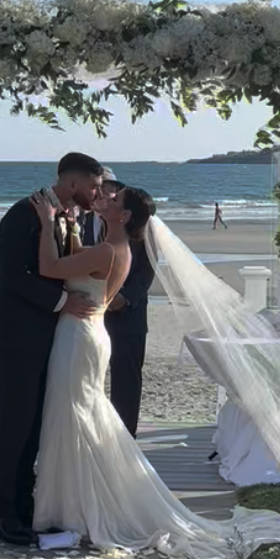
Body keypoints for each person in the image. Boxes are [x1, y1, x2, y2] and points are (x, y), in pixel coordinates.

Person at [29, 186, 280, 559]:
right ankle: (74, 503)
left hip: (80, 337)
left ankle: (76, 506)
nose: (105, 199)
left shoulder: (109, 250)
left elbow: (50, 268)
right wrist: (72, 227)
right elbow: (78, 260)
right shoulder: (111, 248)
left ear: (123, 216)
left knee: (75, 412)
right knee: (80, 413)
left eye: (114, 200)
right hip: (89, 333)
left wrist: (45, 223)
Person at [0, 152, 104, 547]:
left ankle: (24, 505)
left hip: (49, 339)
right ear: (72, 184)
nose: (97, 193)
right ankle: (2, 515)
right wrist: (61, 304)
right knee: (15, 428)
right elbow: (13, 276)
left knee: (34, 428)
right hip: (17, 337)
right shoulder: (23, 214)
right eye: (93, 185)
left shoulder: (69, 217)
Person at [87, 175, 156, 439]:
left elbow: (145, 275)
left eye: (112, 194)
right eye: (100, 190)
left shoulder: (143, 238)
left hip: (128, 319)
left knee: (126, 381)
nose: (104, 196)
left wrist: (123, 299)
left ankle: (124, 437)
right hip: (94, 319)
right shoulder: (85, 222)